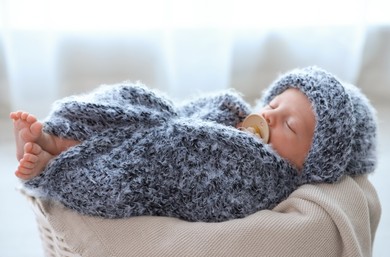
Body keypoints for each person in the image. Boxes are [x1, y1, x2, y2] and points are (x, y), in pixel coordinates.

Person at [11, 66, 377, 222]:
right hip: (167, 125)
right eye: (272, 104)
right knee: (135, 99)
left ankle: (56, 162)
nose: (268, 117)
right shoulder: (240, 114)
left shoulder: (271, 179)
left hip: (164, 164)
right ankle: (57, 136)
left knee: (134, 170)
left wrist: (198, 142)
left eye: (289, 126)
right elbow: (186, 113)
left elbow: (210, 192)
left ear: (310, 165)